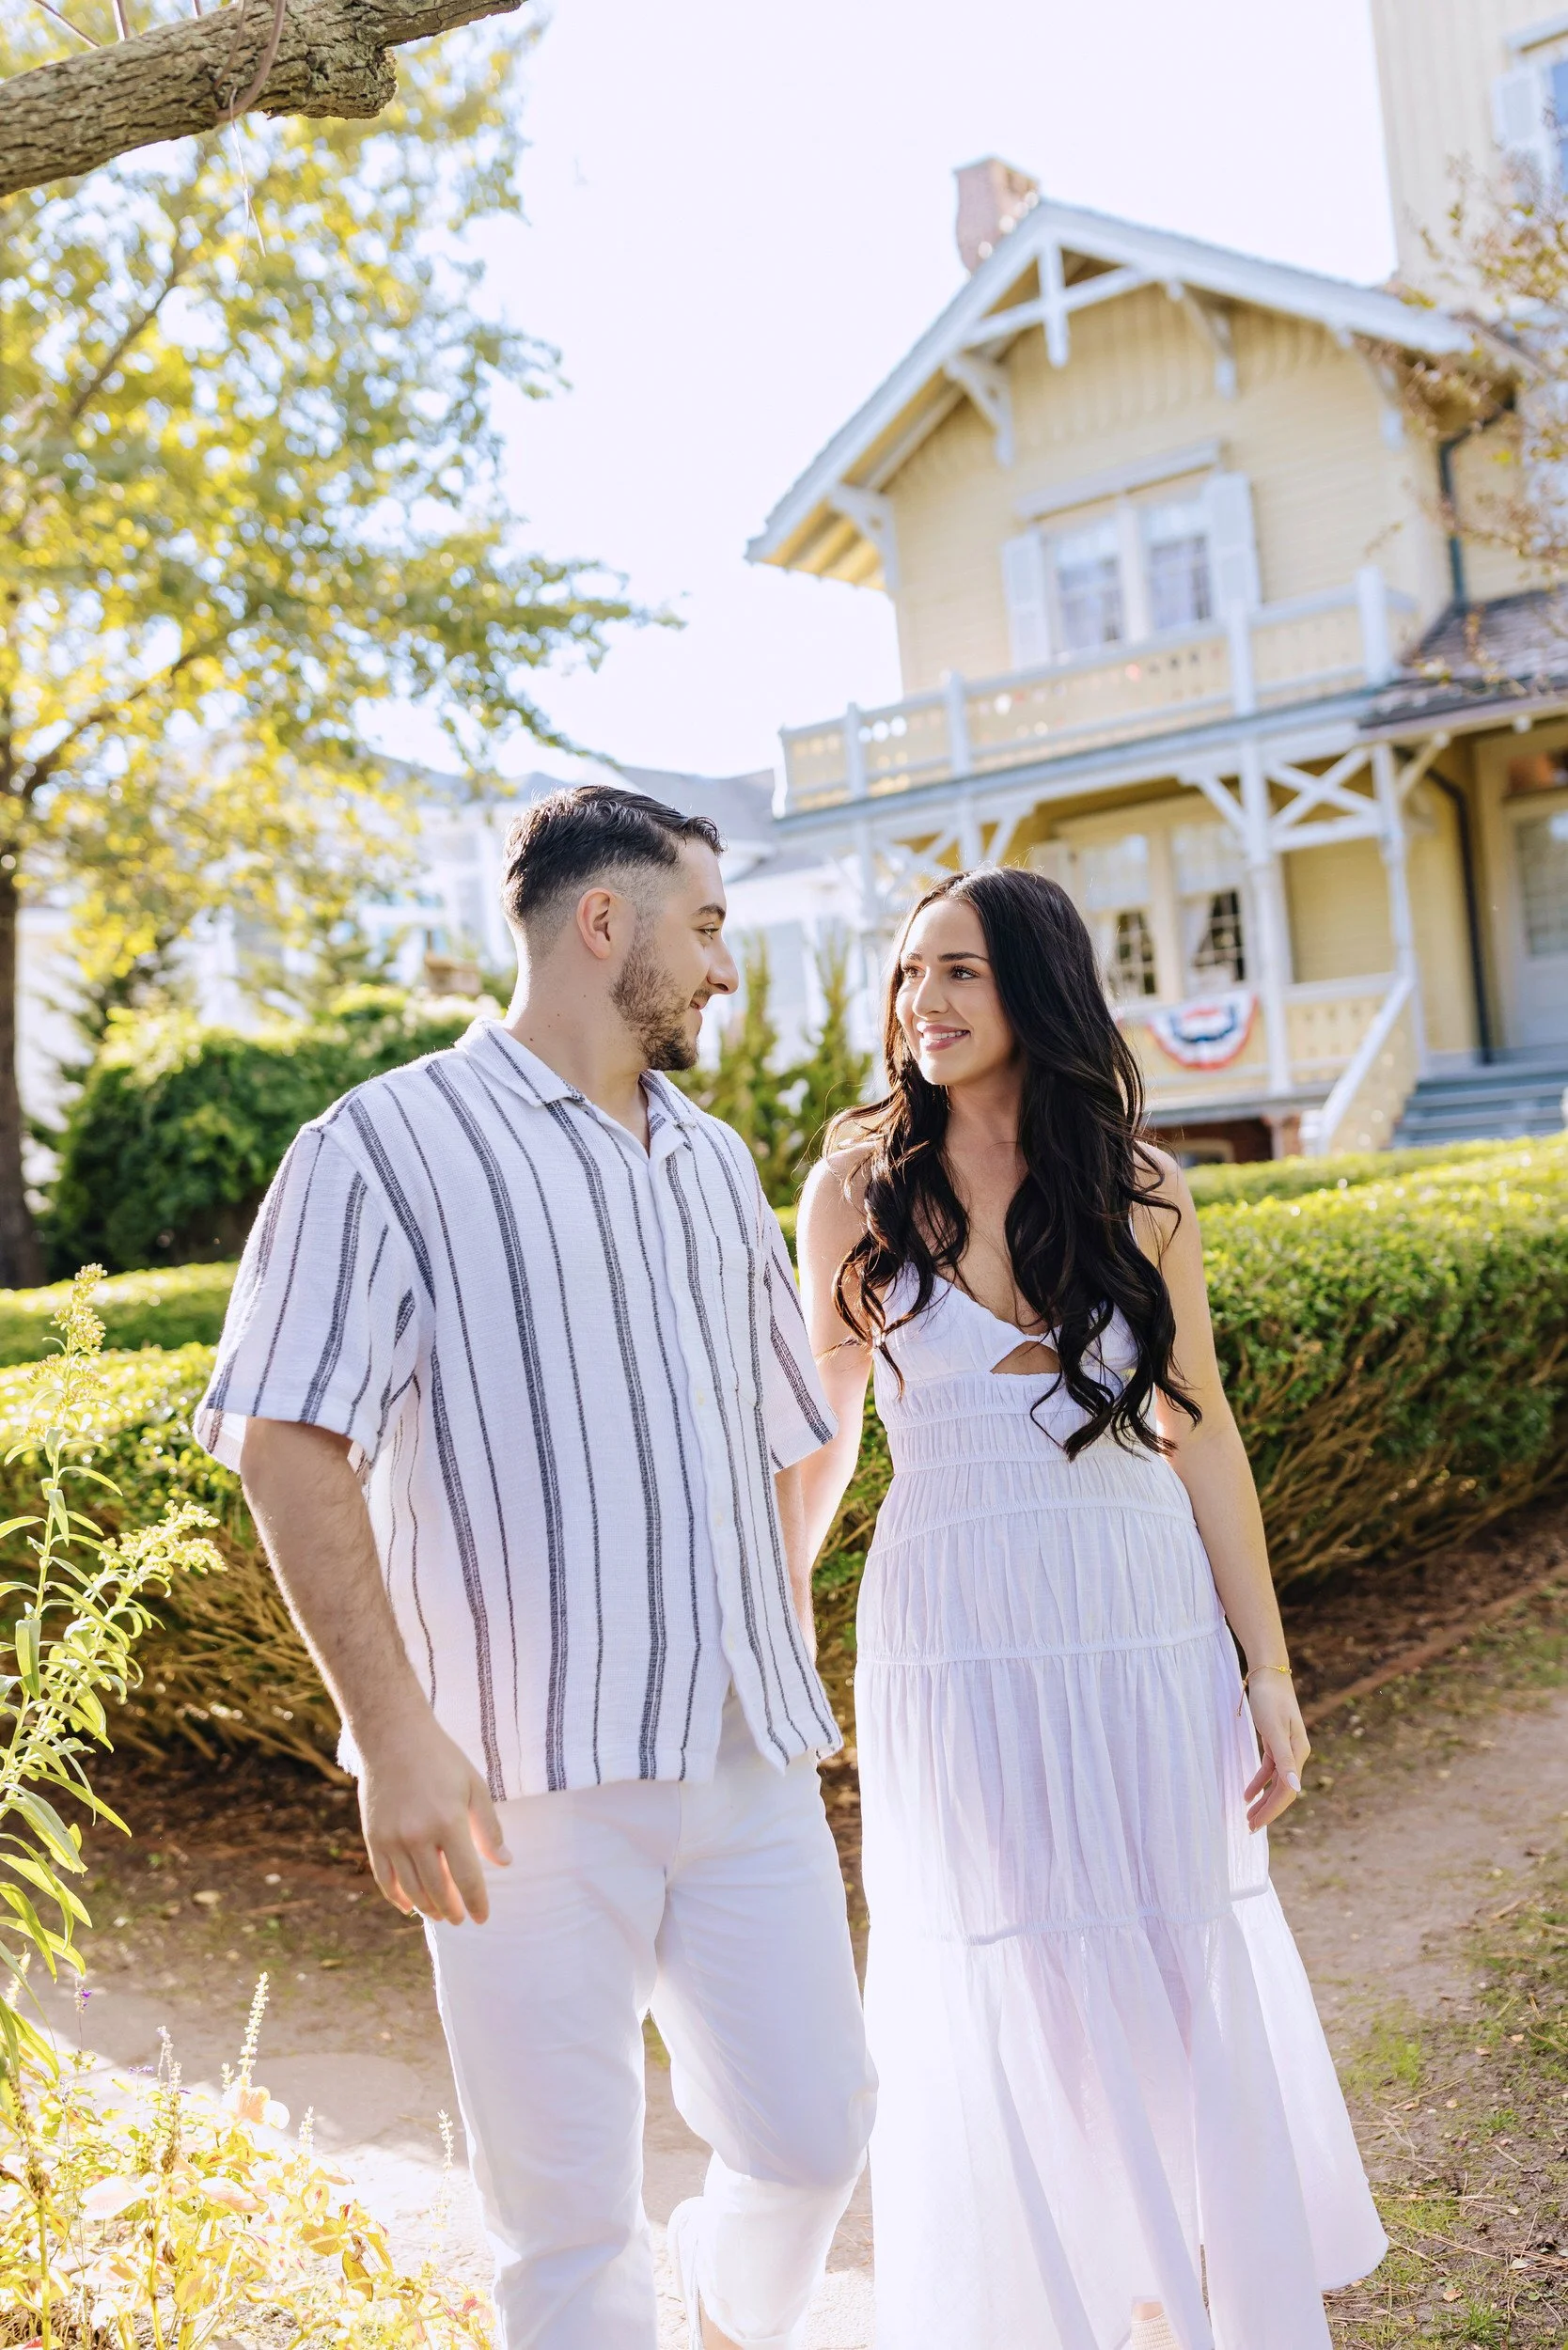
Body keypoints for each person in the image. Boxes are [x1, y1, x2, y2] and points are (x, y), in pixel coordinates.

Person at [196, 784, 875, 2350]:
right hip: (518, 1797)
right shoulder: (378, 1148)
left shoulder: (713, 1166)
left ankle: (725, 2312)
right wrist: (391, 1738)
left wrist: (775, 1645)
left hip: (745, 1762)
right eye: (705, 927)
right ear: (603, 923)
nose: (721, 968)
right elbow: (288, 1440)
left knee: (818, 2131)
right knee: (565, 2234)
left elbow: (788, 1439)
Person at [796, 866, 1385, 2350]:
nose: (921, 1002)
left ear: (1039, 990)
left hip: (1138, 1619)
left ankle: (1179, 2294)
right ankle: (1062, 2305)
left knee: (1163, 1949)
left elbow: (1205, 1424)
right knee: (1011, 1957)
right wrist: (774, 1618)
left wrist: (1265, 1667)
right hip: (955, 1632)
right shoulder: (856, 1187)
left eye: (960, 974)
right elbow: (817, 1437)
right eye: (907, 975)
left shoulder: (1140, 1183)